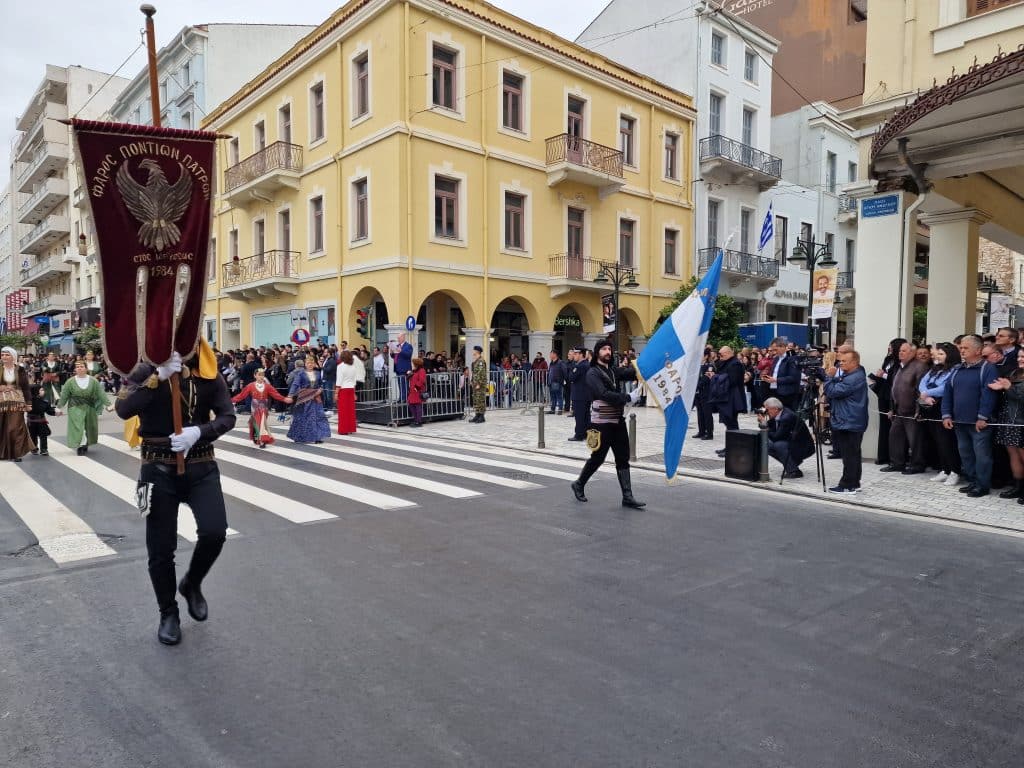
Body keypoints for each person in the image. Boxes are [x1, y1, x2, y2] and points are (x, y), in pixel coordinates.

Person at [114, 342, 235, 645]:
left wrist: (200, 431)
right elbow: (123, 408)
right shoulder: (143, 370)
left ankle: (192, 583)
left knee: (215, 531)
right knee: (160, 549)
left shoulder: (208, 372)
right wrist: (156, 375)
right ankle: (168, 612)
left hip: (201, 464)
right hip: (157, 468)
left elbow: (227, 416)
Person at [571, 339, 645, 508]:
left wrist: (645, 364)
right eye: (604, 349)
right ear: (597, 352)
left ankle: (627, 496)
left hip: (618, 421)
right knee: (598, 458)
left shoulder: (612, 370)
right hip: (601, 424)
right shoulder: (592, 373)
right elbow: (603, 394)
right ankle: (579, 484)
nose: (608, 352)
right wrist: (627, 398)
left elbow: (631, 373)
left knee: (623, 458)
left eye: (610, 349)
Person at [942, 335, 998, 498]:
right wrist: (946, 415)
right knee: (965, 453)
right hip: (959, 421)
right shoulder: (957, 369)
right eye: (961, 348)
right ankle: (972, 481)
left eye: (965, 348)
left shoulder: (987, 369)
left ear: (978, 350)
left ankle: (983, 485)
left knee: (982, 456)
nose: (962, 351)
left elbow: (988, 395)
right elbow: (948, 393)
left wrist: (983, 417)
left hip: (978, 423)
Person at [822, 349, 869, 495]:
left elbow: (833, 392)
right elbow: (839, 383)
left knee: (849, 455)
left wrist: (828, 378)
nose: (840, 363)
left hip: (849, 421)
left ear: (854, 362)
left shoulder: (853, 378)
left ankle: (847, 485)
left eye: (844, 361)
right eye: (840, 361)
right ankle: (854, 483)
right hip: (850, 420)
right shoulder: (854, 374)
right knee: (853, 454)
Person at [880, 341, 928, 474]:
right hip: (899, 410)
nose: (900, 353)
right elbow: (894, 389)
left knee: (915, 439)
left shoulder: (920, 367)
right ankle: (897, 463)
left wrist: (919, 411)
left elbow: (921, 391)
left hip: (912, 411)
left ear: (912, 353)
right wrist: (892, 408)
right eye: (900, 350)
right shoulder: (899, 367)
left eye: (904, 351)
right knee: (895, 436)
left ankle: (917, 464)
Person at [917, 342, 961, 486]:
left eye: (942, 354)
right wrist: (925, 395)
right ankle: (945, 469)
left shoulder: (955, 369)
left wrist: (927, 393)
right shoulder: (935, 368)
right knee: (938, 441)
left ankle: (955, 471)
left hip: (944, 407)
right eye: (938, 354)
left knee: (947, 441)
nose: (938, 356)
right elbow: (922, 382)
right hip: (930, 406)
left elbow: (945, 388)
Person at [989, 347, 1024, 500]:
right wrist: (1001, 389)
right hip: (1008, 421)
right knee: (1013, 455)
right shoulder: (1014, 373)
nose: (1020, 359)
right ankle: (1018, 487)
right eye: (1020, 356)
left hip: (1021, 423)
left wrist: (1009, 388)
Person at [56, 358, 111, 456]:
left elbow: (101, 393)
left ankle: (85, 443)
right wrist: (59, 407)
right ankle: (80, 446)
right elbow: (64, 396)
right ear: (75, 370)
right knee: (79, 426)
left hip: (89, 406)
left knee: (88, 427)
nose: (79, 368)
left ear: (86, 368)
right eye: (77, 367)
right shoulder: (70, 381)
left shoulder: (93, 381)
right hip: (75, 406)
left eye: (81, 366)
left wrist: (109, 405)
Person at [231, 368, 292, 448]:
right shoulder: (250, 386)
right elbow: (242, 395)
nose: (261, 377)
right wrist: (231, 400)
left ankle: (258, 437)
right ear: (255, 376)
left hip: (264, 408)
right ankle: (262, 440)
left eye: (263, 375)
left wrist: (284, 399)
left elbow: (275, 394)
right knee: (260, 422)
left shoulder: (267, 386)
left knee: (261, 423)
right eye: (259, 375)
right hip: (255, 408)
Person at [868, 338, 905, 465]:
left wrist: (883, 375)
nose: (889, 349)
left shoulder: (900, 363)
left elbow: (896, 379)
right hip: (883, 395)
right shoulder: (888, 359)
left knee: (893, 428)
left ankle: (893, 457)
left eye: (891, 347)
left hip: (893, 396)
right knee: (883, 427)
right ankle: (883, 455)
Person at [759, 396, 814, 478]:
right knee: (765, 443)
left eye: (767, 409)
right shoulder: (778, 413)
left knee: (777, 445)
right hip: (791, 442)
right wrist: (763, 423)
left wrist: (765, 427)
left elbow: (776, 437)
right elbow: (769, 429)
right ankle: (791, 464)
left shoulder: (786, 417)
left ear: (775, 409)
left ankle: (794, 471)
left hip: (803, 447)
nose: (766, 411)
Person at [709, 345, 747, 457]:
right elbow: (722, 375)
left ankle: (734, 448)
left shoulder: (735, 364)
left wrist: (715, 377)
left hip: (733, 399)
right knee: (728, 423)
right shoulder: (727, 362)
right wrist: (716, 376)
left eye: (722, 354)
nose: (720, 356)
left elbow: (732, 380)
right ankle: (729, 446)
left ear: (729, 353)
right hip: (726, 398)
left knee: (732, 423)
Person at [0, 347, 34, 462]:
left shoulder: (20, 369)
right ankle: (3, 453)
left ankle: (16, 452)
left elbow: (25, 387)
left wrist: (28, 403)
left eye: (7, 355)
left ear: (13, 357)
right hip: (1, 403)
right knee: (2, 427)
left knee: (15, 428)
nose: (4, 357)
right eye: (3, 354)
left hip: (17, 403)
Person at [287, 356, 331, 444]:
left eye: (312, 363)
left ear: (314, 364)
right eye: (308, 363)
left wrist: (320, 389)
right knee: (303, 417)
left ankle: (317, 436)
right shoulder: (301, 373)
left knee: (318, 417)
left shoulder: (318, 373)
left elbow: (321, 384)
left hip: (315, 398)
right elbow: (295, 384)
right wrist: (290, 395)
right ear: (305, 364)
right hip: (305, 398)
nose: (310, 364)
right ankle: (299, 436)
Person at [761, 338, 801, 411]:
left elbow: (793, 377)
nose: (774, 352)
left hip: (787, 394)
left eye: (775, 350)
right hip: (774, 391)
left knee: (786, 415)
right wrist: (768, 378)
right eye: (772, 350)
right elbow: (775, 373)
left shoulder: (791, 358)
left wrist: (776, 380)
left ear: (783, 346)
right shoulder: (776, 359)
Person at [568, 347, 591, 441]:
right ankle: (586, 433)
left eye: (576, 354)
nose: (574, 356)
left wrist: (573, 366)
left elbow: (571, 377)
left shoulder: (579, 366)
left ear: (581, 354)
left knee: (579, 415)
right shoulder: (587, 364)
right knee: (586, 415)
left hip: (579, 395)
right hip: (586, 394)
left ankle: (579, 434)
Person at [27, 386, 56, 456]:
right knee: (32, 435)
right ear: (36, 391)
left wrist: (55, 412)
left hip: (41, 421)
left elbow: (49, 411)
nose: (43, 391)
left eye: (43, 390)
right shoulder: (29, 401)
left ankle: (44, 449)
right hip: (32, 421)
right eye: (41, 390)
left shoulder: (44, 401)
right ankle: (34, 448)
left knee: (43, 435)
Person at [694, 348, 716, 440]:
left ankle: (709, 433)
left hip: (706, 392)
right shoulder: (697, 365)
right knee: (700, 413)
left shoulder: (709, 366)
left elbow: (706, 379)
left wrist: (697, 386)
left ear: (706, 356)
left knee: (707, 413)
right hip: (698, 393)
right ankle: (701, 431)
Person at [335, 350, 359, 435]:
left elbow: (339, 380)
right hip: (351, 389)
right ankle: (350, 428)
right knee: (350, 410)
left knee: (343, 411)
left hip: (343, 389)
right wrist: (354, 392)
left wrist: (336, 393)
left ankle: (343, 429)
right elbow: (354, 380)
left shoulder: (340, 366)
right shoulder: (353, 367)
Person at [469, 345, 488, 424]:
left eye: (474, 350)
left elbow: (481, 373)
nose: (473, 352)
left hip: (479, 384)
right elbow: (474, 373)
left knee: (480, 399)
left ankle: (481, 416)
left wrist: (479, 383)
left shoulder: (481, 361)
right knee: (476, 399)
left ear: (477, 351)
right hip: (475, 383)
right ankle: (477, 414)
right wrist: (472, 381)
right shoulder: (476, 361)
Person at [408, 357, 428, 427]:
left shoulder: (421, 370)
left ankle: (418, 421)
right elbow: (410, 379)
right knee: (411, 405)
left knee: (417, 406)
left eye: (413, 363)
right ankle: (416, 420)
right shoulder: (414, 371)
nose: (412, 365)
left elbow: (422, 380)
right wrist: (409, 374)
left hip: (417, 390)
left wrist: (417, 387)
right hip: (412, 391)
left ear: (416, 364)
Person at [393, 333, 414, 401]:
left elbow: (408, 355)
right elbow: (395, 356)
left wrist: (401, 351)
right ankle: (401, 397)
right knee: (400, 384)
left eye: (399, 338)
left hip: (404, 368)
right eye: (397, 338)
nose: (398, 339)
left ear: (403, 337)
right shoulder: (397, 345)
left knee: (404, 383)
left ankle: (404, 398)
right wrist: (391, 353)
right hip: (397, 368)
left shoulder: (408, 346)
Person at [547, 350, 567, 415]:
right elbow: (549, 372)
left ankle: (560, 409)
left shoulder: (561, 362)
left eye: (551, 354)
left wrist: (562, 380)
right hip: (551, 382)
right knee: (552, 396)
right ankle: (553, 409)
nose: (550, 355)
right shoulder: (551, 363)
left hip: (558, 382)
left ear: (555, 354)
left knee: (559, 396)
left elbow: (565, 372)